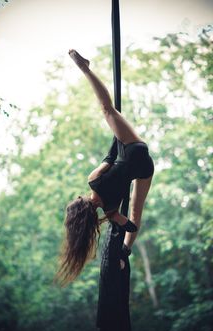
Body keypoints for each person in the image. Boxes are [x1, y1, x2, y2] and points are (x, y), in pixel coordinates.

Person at [55, 50, 154, 286]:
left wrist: (122, 244)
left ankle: (126, 251)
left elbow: (131, 222)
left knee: (135, 209)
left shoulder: (110, 212)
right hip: (131, 150)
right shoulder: (93, 181)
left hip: (145, 167)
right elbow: (111, 156)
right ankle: (85, 68)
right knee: (107, 109)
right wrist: (117, 128)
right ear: (81, 201)